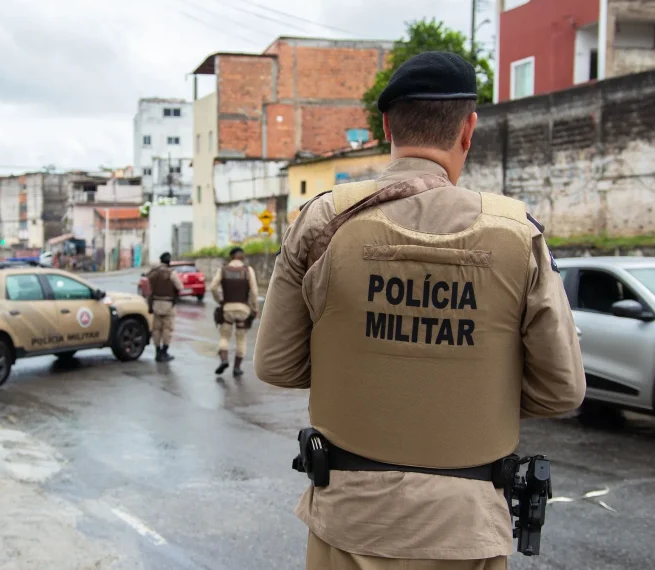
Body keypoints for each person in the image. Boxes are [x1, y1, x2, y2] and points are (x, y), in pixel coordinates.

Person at [254, 51, 586, 570]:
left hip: (350, 523)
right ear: (468, 129)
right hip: (467, 530)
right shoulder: (518, 235)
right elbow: (561, 390)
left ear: (386, 124)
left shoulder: (323, 222)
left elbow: (276, 364)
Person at [209, 247, 259, 377]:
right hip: (243, 309)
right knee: (241, 339)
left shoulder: (223, 270)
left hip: (227, 309)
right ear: (242, 257)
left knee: (224, 336)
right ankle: (237, 368)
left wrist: (219, 300)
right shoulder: (248, 270)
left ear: (231, 257)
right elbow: (254, 292)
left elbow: (212, 287)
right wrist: (255, 308)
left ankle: (224, 359)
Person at [146, 252, 183, 362]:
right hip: (168, 303)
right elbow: (180, 287)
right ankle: (164, 351)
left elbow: (148, 283)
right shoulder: (171, 273)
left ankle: (157, 351)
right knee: (167, 328)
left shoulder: (153, 272)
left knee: (156, 329)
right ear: (169, 261)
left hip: (155, 303)